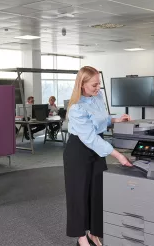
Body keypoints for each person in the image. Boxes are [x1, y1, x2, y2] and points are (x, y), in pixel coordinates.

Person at [63, 66, 132, 246]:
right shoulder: (76, 108)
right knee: (78, 194)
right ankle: (80, 236)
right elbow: (90, 138)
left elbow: (102, 119)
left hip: (97, 148)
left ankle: (95, 233)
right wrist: (118, 155)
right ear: (82, 85)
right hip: (79, 150)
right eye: (94, 85)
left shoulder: (98, 97)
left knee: (98, 192)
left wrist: (116, 119)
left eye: (99, 83)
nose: (98, 88)